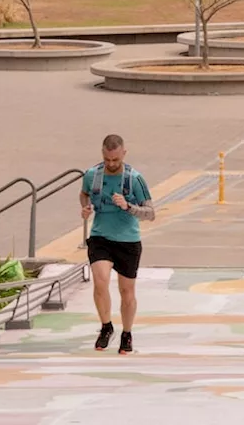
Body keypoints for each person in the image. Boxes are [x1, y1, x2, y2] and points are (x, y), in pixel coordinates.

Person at [80, 134, 155, 355]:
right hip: (100, 236)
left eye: (115, 160)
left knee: (127, 291)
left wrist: (128, 206)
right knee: (100, 281)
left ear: (124, 154)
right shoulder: (92, 175)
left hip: (127, 240)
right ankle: (106, 326)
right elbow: (84, 194)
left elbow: (150, 213)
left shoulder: (135, 179)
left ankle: (127, 333)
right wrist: (85, 208)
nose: (111, 164)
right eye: (107, 160)